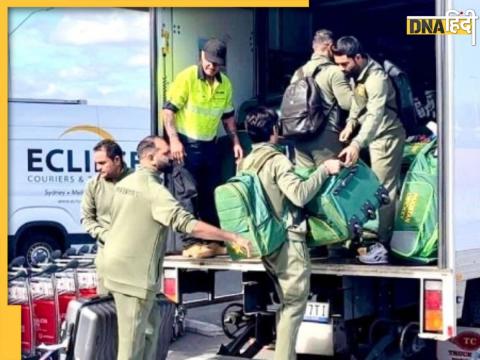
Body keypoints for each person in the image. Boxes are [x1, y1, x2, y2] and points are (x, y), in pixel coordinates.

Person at [102, 136, 251, 360]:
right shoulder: (153, 190)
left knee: (151, 331)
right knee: (131, 345)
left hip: (115, 269)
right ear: (150, 157)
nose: (171, 155)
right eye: (166, 152)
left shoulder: (124, 185)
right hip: (133, 278)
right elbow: (187, 224)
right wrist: (230, 236)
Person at [239, 107, 342, 360]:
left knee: (286, 304)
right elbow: (299, 194)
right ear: (274, 131)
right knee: (294, 305)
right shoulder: (277, 161)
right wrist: (324, 170)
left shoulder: (245, 163)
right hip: (287, 241)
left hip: (264, 241)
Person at [162, 38, 243, 259]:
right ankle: (190, 244)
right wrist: (174, 140)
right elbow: (168, 112)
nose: (212, 66)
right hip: (185, 145)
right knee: (188, 193)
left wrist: (235, 141)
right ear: (201, 56)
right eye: (209, 61)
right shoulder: (187, 77)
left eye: (216, 63)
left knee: (211, 193)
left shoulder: (224, 83)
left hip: (209, 145)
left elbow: (228, 117)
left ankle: (212, 241)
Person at [332, 36, 406, 263]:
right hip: (369, 137)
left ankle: (383, 245)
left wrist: (356, 143)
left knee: (384, 191)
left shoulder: (377, 79)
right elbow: (358, 101)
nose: (341, 69)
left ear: (358, 57)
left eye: (345, 64)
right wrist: (351, 123)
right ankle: (361, 236)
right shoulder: (358, 75)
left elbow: (375, 115)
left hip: (385, 136)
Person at [290, 29, 352, 168]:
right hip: (325, 139)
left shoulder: (298, 73)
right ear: (330, 47)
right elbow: (348, 104)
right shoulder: (334, 72)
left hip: (300, 139)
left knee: (309, 183)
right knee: (334, 184)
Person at [80, 139, 132, 295]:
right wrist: (106, 235)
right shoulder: (93, 185)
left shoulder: (137, 181)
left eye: (102, 163)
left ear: (117, 160)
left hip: (135, 257)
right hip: (107, 256)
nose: (98, 168)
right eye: (96, 163)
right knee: (106, 310)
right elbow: (87, 219)